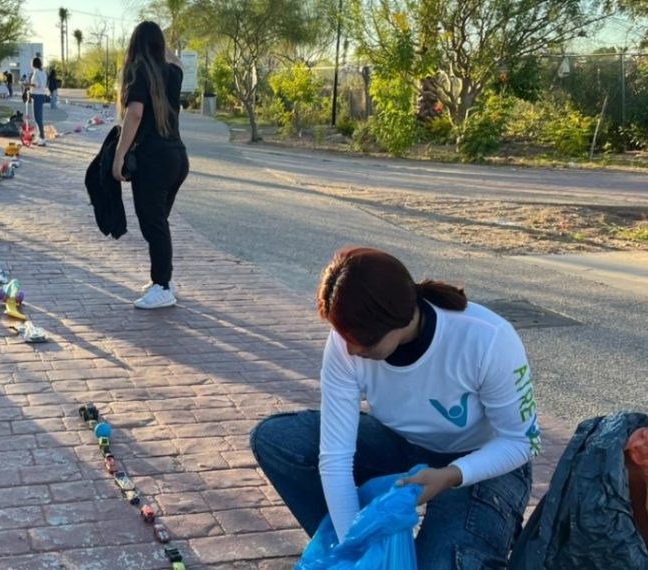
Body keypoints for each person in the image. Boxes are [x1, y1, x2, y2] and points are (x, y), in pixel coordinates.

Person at [250, 247, 542, 567]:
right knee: (279, 441)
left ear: (399, 320)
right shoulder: (346, 344)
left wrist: (452, 475)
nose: (351, 350)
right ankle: (373, 548)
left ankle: (446, 540)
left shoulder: (487, 338)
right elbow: (335, 458)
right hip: (405, 446)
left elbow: (521, 442)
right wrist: (356, 546)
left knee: (442, 562)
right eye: (342, 336)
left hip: (482, 462)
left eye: (364, 342)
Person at [112, 21, 189, 310]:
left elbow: (134, 114)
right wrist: (162, 46)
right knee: (159, 223)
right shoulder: (173, 72)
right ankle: (164, 279)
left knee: (153, 224)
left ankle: (163, 286)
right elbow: (176, 60)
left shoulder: (139, 70)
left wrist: (120, 155)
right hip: (177, 158)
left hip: (154, 160)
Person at [27, 57, 48, 146]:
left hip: (37, 96)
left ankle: (42, 138)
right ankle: (39, 137)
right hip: (40, 95)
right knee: (37, 118)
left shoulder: (36, 72)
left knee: (38, 118)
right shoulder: (43, 72)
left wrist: (27, 84)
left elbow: (37, 85)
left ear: (33, 64)